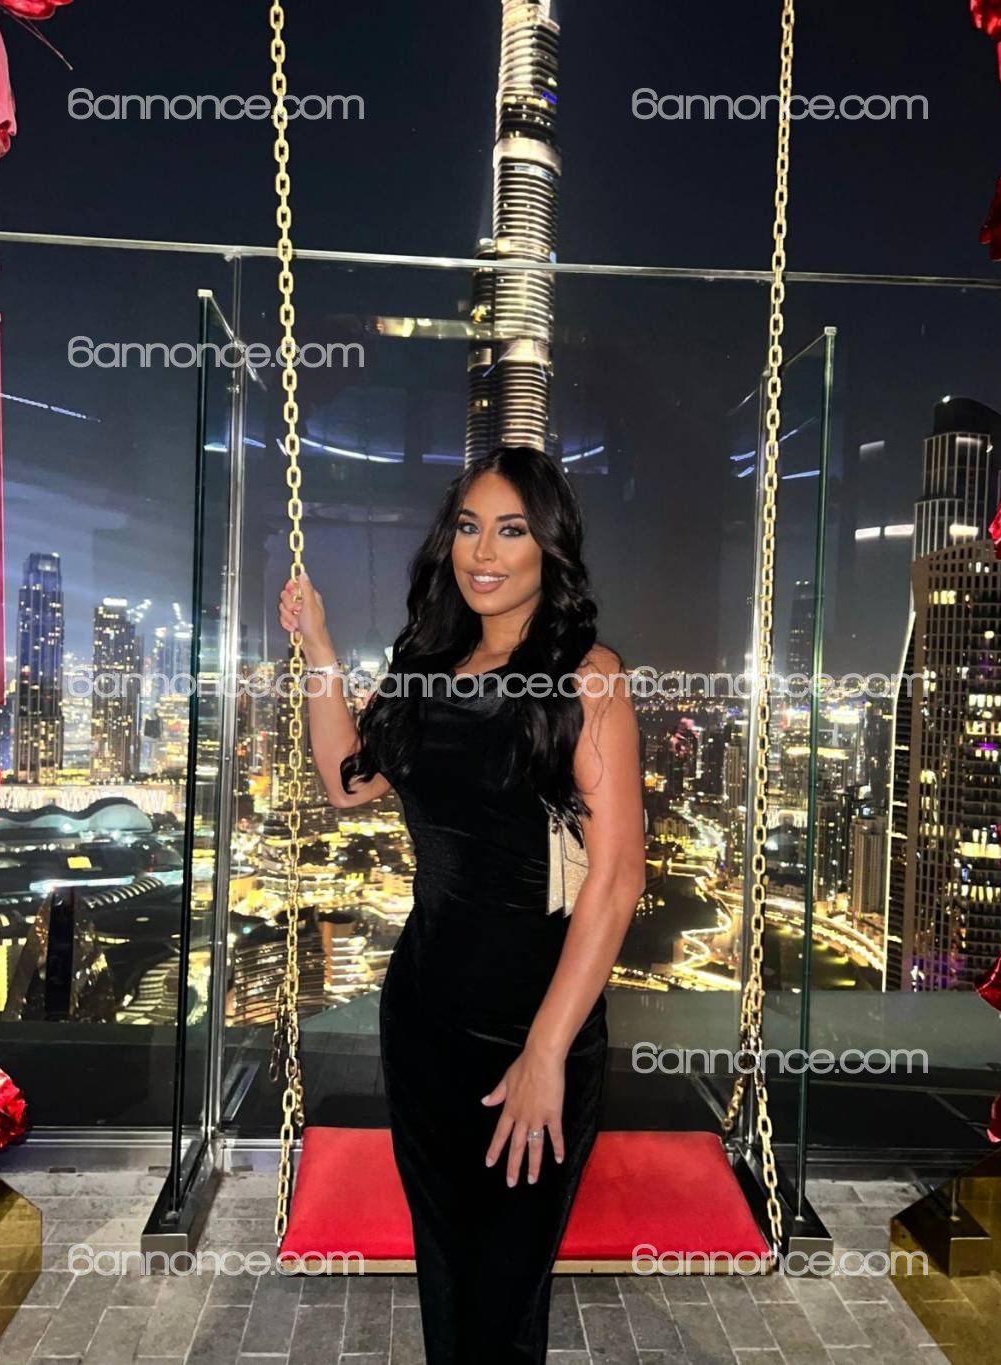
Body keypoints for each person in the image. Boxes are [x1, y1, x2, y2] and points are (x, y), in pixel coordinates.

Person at [278, 444, 646, 1364]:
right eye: (469, 527)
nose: (484, 552)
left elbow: (615, 880)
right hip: (423, 1026)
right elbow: (347, 781)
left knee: (503, 1299)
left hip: (535, 1031)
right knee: (446, 1280)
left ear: (549, 546)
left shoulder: (587, 677)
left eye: (511, 530)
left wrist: (546, 1052)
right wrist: (320, 651)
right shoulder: (428, 667)